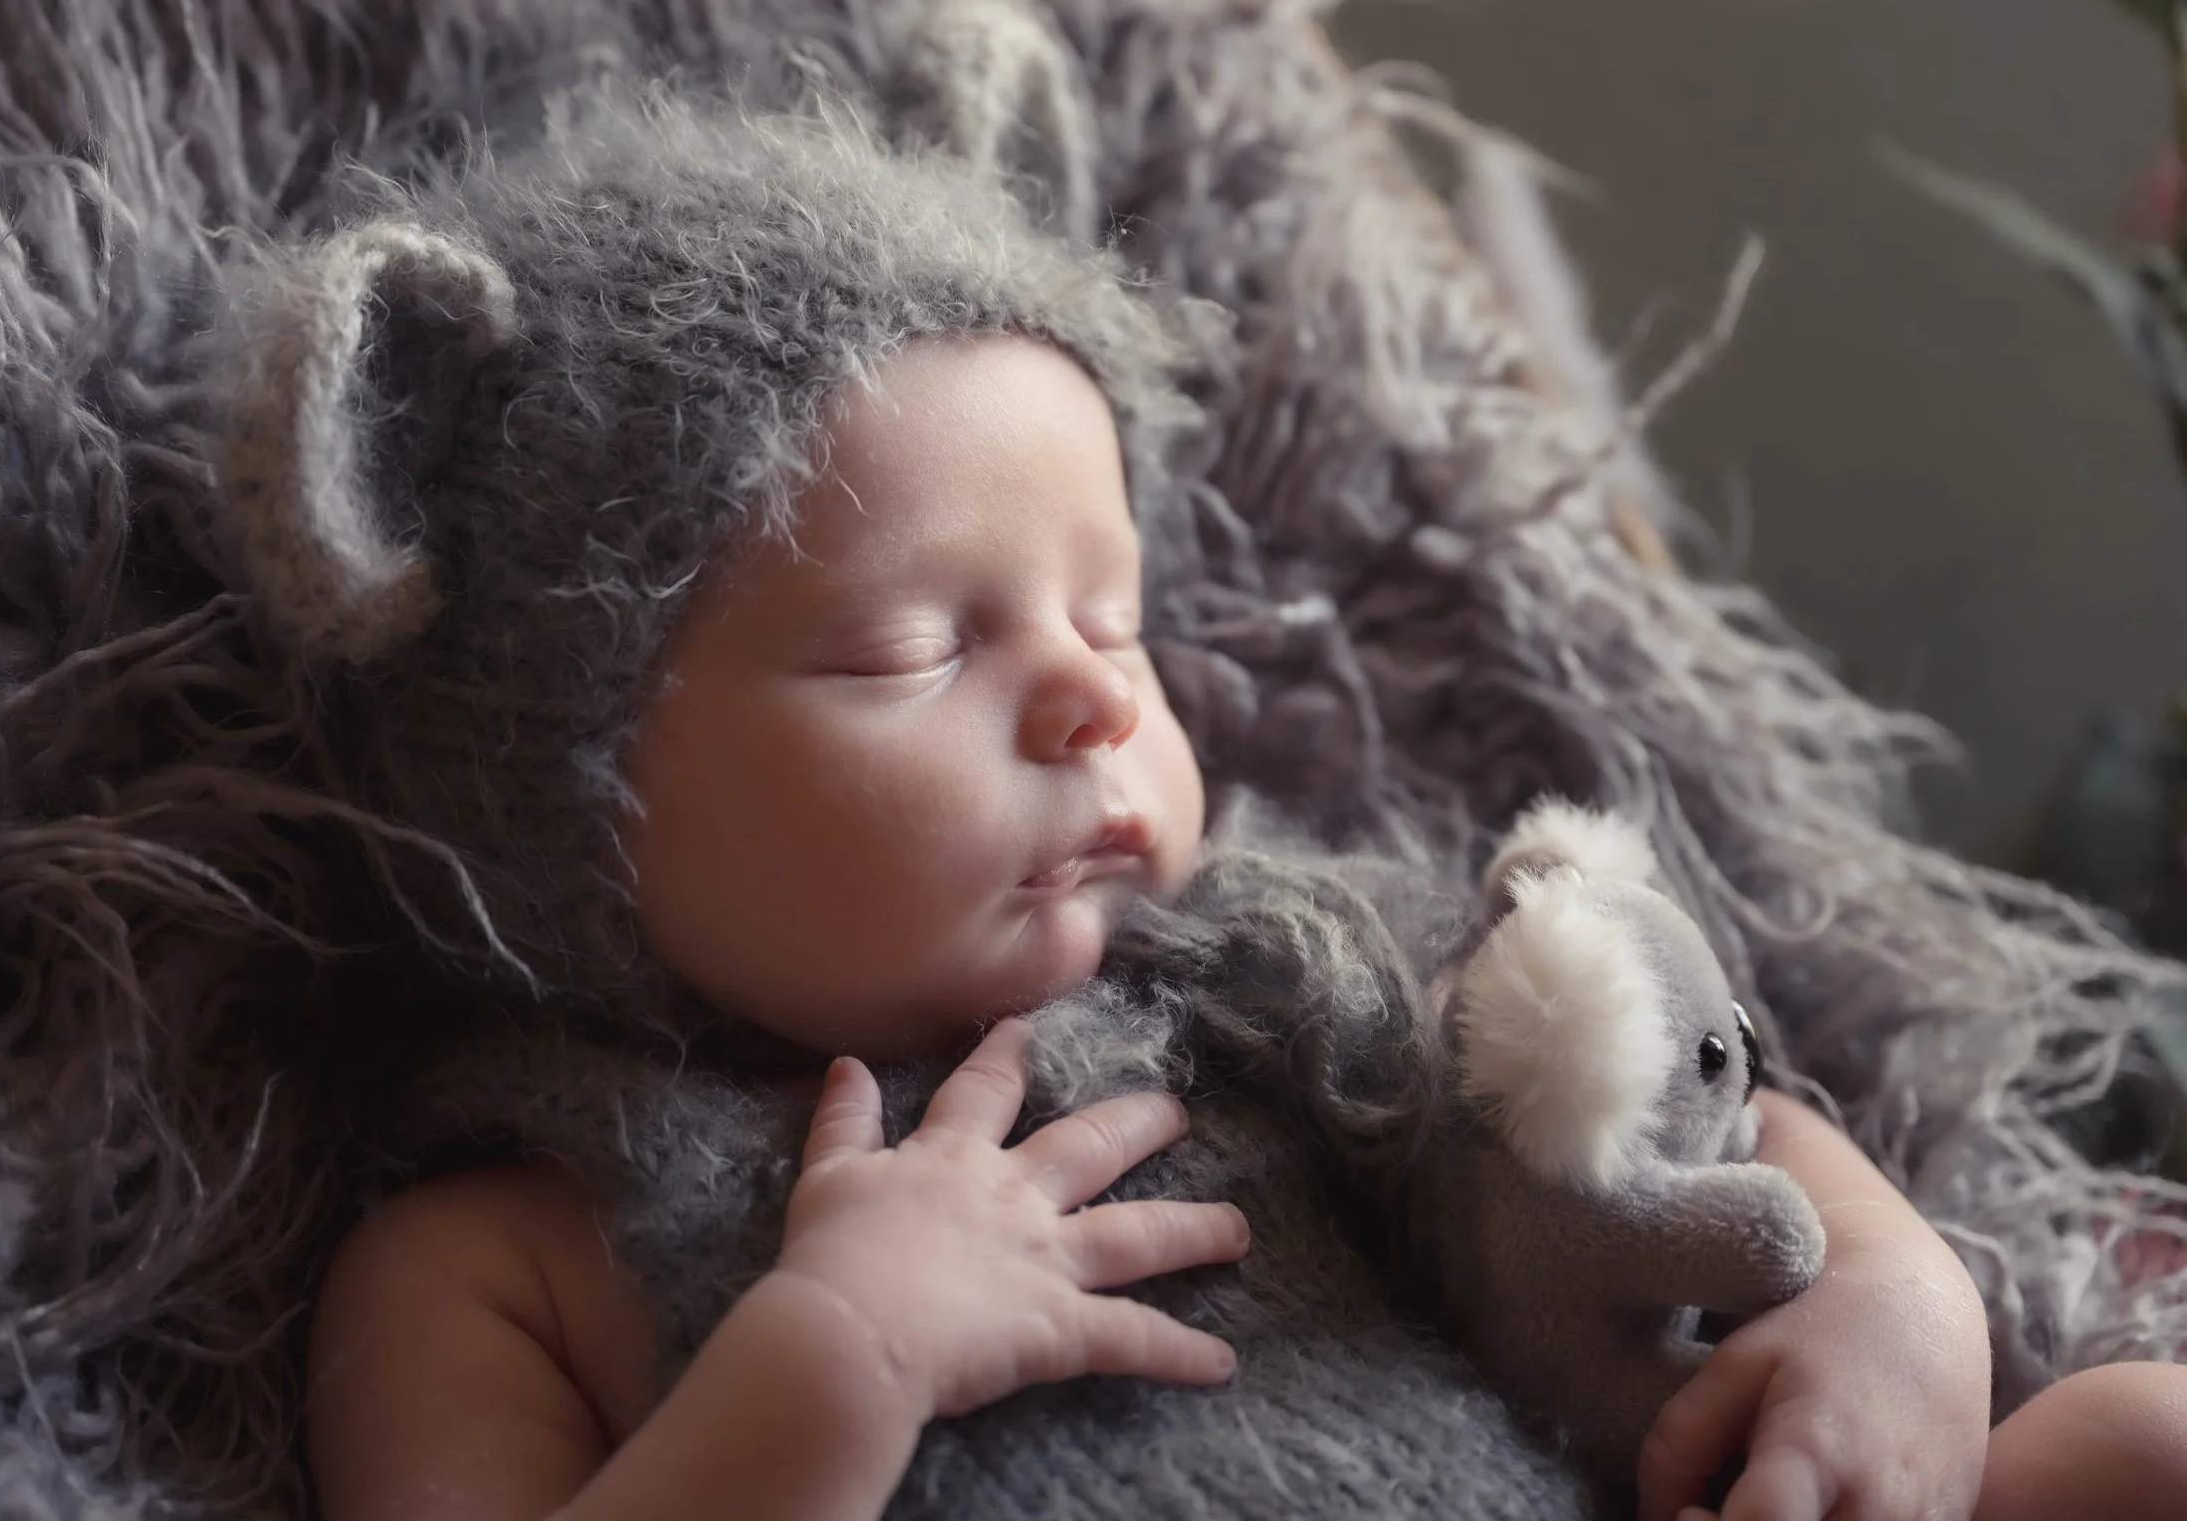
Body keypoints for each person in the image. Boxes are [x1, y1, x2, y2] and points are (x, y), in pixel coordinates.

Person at [240, 98, 2187, 1521]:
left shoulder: (1252, 978)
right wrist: (839, 1358)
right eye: (915, 643)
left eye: (1114, 617)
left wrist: (1892, 1308)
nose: (1098, 691)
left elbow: (1681, 1101)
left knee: (2128, 1445)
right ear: (565, 775)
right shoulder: (501, 1241)